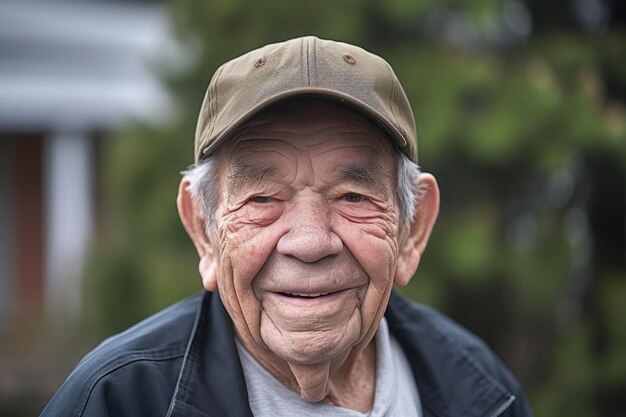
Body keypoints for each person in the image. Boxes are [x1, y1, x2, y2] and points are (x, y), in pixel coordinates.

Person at [41, 36, 533, 417]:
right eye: (262, 198)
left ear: (413, 228)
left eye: (353, 196)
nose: (310, 241)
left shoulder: (481, 391)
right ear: (203, 230)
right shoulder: (116, 401)